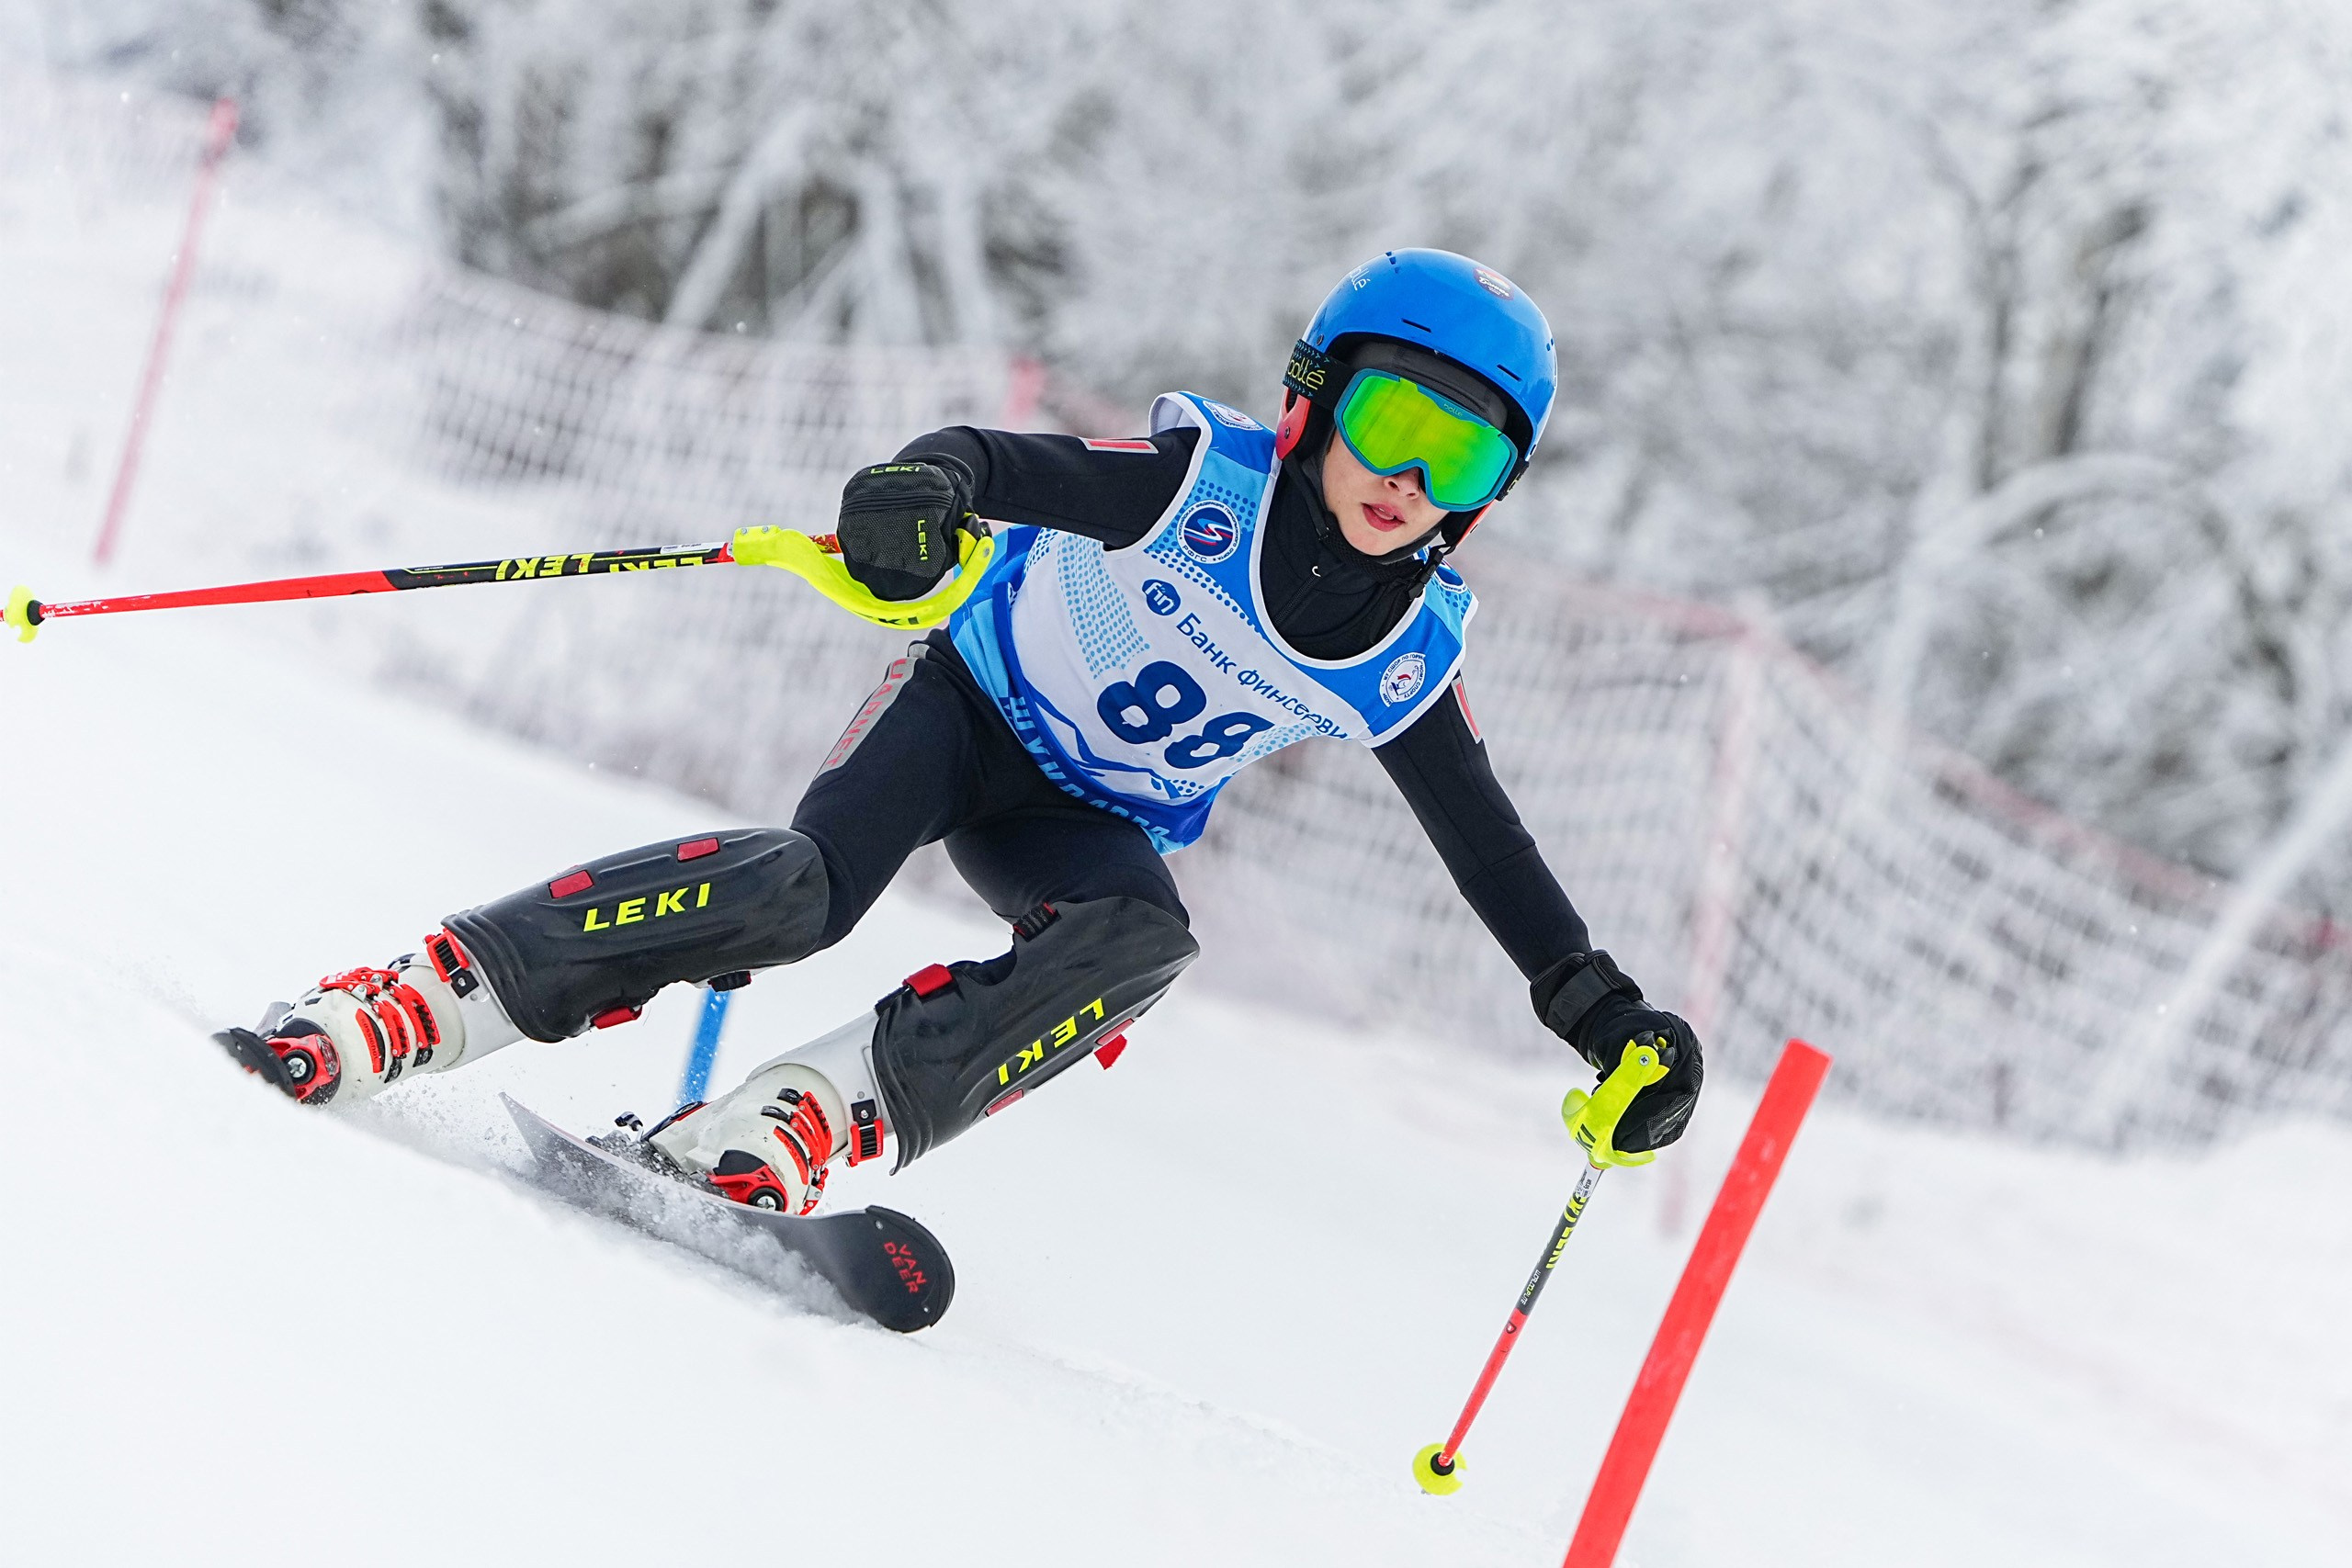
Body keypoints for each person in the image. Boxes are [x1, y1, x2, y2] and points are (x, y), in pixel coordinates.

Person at [217, 248, 1703, 1214]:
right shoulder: (1200, 487)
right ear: (1316, 405)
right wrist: (920, 495)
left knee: (1142, 941)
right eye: (1395, 423)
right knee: (802, 894)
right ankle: (434, 993)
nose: (1409, 479)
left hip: (1074, 813)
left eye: (1462, 457)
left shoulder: (1404, 650)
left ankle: (797, 1122)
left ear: (1490, 493)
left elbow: (1486, 848)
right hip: (966, 707)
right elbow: (996, 462)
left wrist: (1598, 1011)